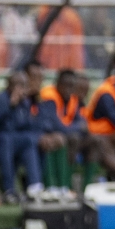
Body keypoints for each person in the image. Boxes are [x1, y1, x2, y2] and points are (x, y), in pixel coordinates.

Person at [0, 71, 44, 204]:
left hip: (16, 141)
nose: (21, 89)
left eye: (23, 85)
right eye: (18, 85)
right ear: (9, 86)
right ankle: (9, 189)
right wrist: (10, 105)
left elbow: (27, 125)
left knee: (29, 140)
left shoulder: (25, 103)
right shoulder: (0, 99)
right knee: (6, 140)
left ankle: (35, 186)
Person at [37, 69, 86, 199]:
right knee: (60, 139)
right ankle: (54, 186)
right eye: (66, 85)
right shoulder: (49, 97)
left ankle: (70, 187)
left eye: (72, 86)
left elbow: (83, 124)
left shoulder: (72, 99)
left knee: (80, 140)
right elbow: (57, 126)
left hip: (62, 136)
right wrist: (76, 127)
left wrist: (75, 127)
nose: (68, 89)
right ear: (57, 84)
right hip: (40, 134)